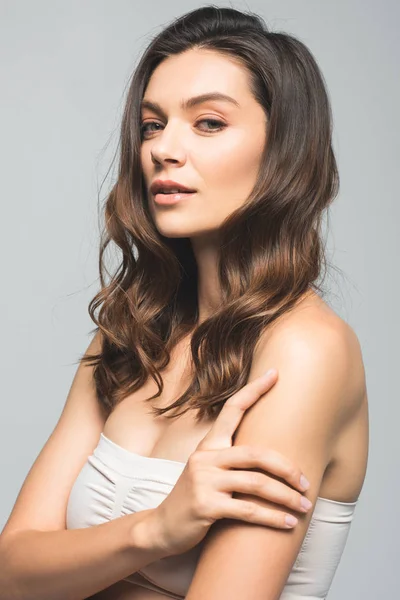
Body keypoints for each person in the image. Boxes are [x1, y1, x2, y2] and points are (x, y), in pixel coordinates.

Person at [0, 5, 368, 600]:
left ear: (284, 151)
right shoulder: (132, 334)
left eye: (209, 123)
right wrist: (155, 530)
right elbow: (11, 571)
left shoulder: (303, 350)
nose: (163, 150)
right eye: (152, 125)